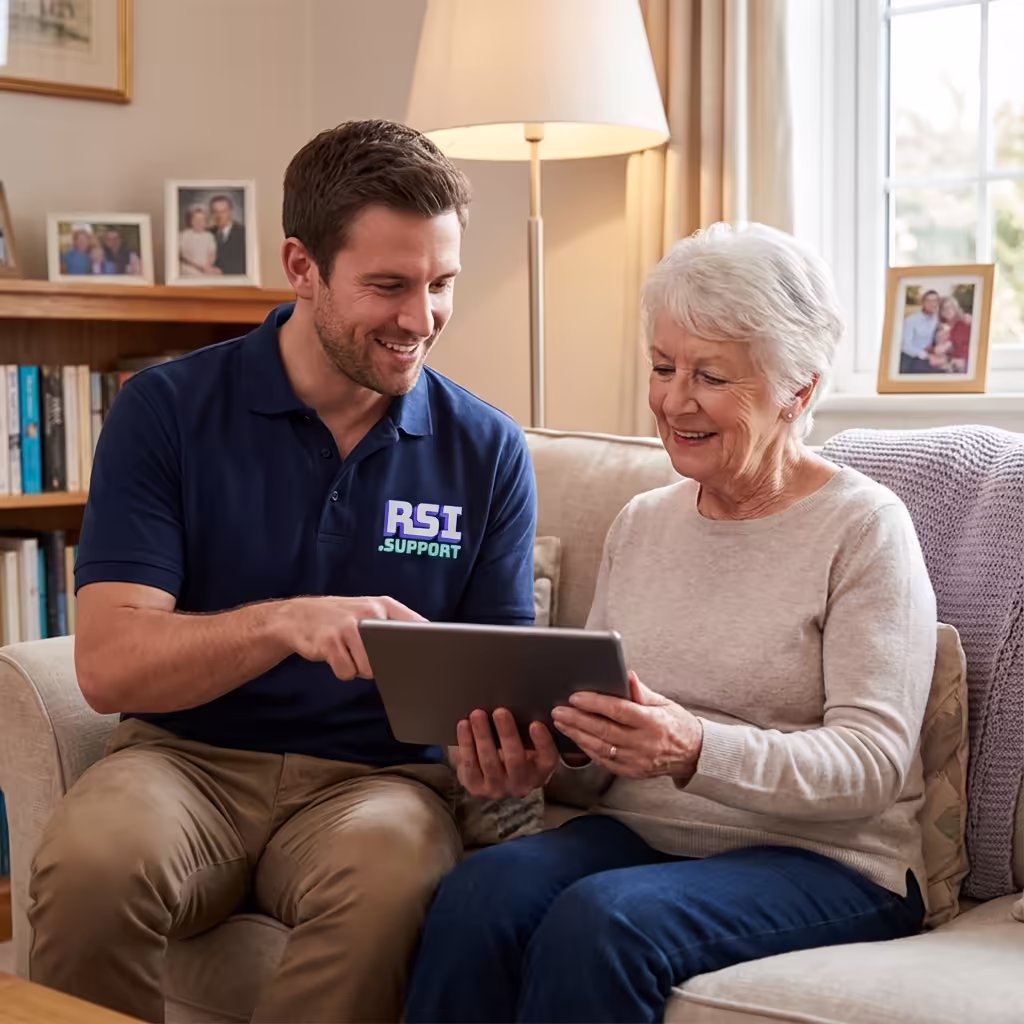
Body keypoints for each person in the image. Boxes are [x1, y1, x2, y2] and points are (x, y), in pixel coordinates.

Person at [27, 119, 537, 1024]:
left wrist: (507, 753)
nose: (421, 319)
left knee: (391, 884)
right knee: (93, 864)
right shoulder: (165, 411)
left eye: (441, 283)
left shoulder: (487, 449)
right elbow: (107, 667)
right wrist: (281, 622)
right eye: (389, 285)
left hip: (380, 783)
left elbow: (499, 679)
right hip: (185, 762)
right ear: (302, 267)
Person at [405, 223, 937, 1024]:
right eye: (663, 367)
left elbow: (871, 764)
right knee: (481, 893)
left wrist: (694, 747)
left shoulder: (865, 528)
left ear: (798, 391)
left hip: (830, 860)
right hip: (645, 833)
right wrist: (541, 757)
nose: (674, 400)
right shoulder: (643, 522)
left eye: (710, 376)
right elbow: (602, 743)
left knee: (602, 924)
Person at [900, 288, 940, 373]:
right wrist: (926, 355)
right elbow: (905, 345)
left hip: (929, 354)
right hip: (911, 356)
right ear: (923, 302)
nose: (932, 304)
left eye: (935, 301)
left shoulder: (936, 319)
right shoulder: (910, 320)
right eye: (928, 300)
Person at [178, 203, 221, 277]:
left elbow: (212, 254)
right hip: (189, 266)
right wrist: (200, 267)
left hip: (205, 267)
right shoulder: (184, 235)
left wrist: (208, 266)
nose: (199, 222)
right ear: (191, 221)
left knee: (218, 274)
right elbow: (182, 256)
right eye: (196, 220)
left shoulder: (209, 236)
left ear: (206, 222)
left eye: (202, 220)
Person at [210, 193, 248, 275]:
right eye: (215, 212)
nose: (219, 216)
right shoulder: (208, 233)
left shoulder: (244, 233)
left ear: (231, 212)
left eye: (223, 211)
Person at [936, 295, 972, 374]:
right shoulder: (941, 328)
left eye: (950, 307)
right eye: (944, 308)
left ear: (956, 308)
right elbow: (940, 350)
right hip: (950, 362)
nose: (947, 310)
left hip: (965, 361)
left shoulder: (963, 322)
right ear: (941, 312)